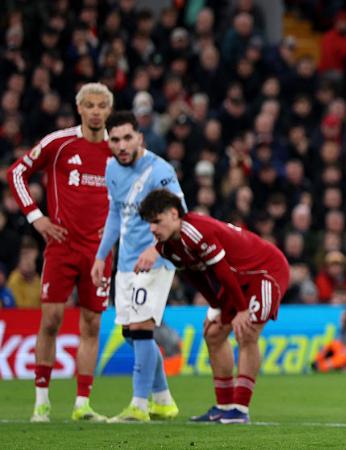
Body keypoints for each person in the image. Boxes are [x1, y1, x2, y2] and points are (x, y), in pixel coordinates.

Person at [6, 82, 114, 423]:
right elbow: (17, 173)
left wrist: (117, 228)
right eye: (90, 105)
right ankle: (41, 402)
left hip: (99, 252)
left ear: (108, 111)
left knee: (92, 324)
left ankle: (82, 404)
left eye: (102, 106)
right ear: (79, 108)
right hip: (61, 247)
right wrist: (37, 218)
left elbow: (136, 194)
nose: (96, 111)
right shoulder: (59, 143)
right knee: (50, 320)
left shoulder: (120, 149)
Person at [138, 188, 290, 424]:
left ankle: (239, 409)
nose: (152, 229)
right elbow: (196, 277)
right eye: (150, 223)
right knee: (213, 334)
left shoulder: (196, 231)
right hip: (238, 279)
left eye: (157, 222)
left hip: (265, 271)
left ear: (174, 214)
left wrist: (240, 311)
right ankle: (224, 405)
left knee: (246, 331)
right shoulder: (169, 247)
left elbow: (222, 271)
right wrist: (217, 307)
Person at [90, 111, 183, 422]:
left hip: (157, 260)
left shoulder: (160, 171)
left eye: (127, 138)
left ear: (140, 138)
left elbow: (180, 214)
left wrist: (156, 249)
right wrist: (102, 256)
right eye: (114, 139)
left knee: (141, 330)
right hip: (127, 264)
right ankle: (163, 399)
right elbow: (116, 215)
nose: (121, 145)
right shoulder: (112, 170)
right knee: (131, 333)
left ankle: (139, 406)